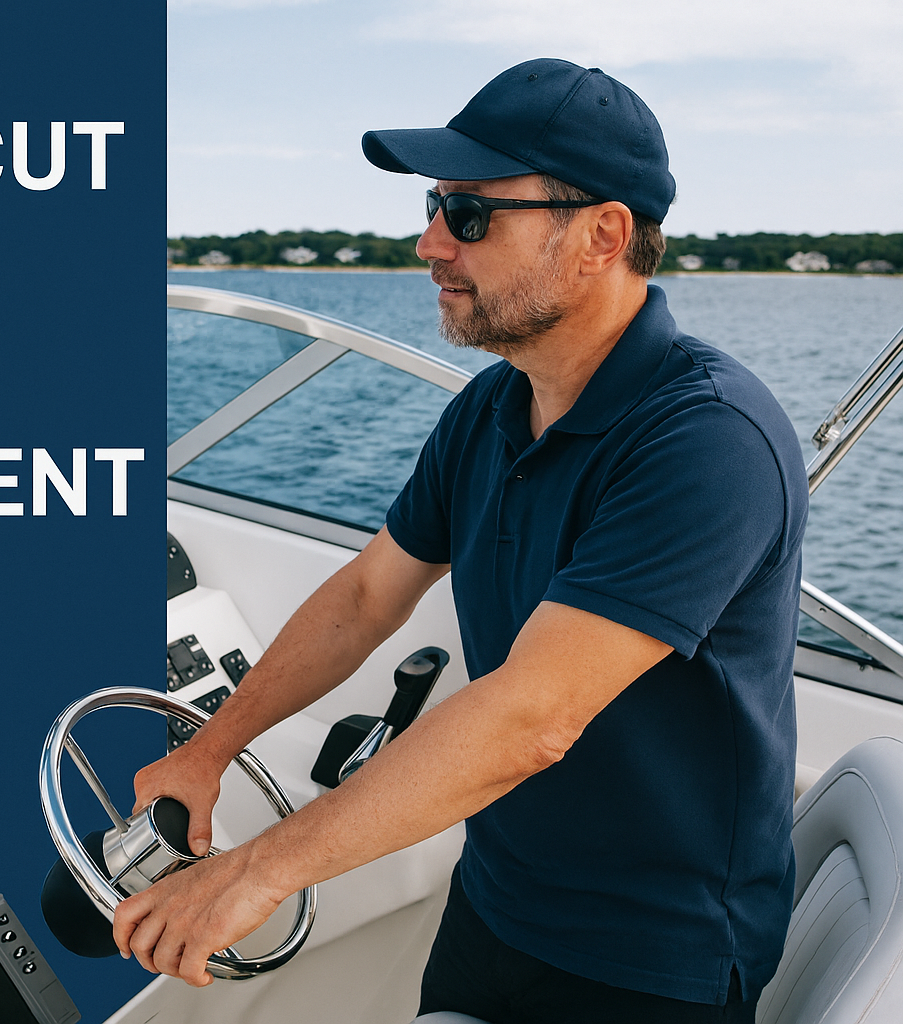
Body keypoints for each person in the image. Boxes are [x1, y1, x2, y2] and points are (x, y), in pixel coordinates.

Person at [115, 59, 808, 1023]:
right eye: (437, 205)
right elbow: (368, 598)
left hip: (653, 957)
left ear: (602, 235)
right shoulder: (494, 405)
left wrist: (258, 873)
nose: (430, 242)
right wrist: (208, 750)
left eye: (471, 215)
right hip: (498, 900)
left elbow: (532, 717)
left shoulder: (708, 441)